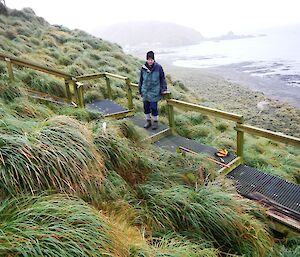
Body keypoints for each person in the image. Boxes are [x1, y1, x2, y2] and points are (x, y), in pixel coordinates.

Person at [138, 51, 168, 130]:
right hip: (145, 92)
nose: (150, 61)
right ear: (147, 59)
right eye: (149, 59)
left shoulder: (158, 67)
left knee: (154, 107)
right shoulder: (143, 68)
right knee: (146, 107)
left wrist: (164, 89)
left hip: (154, 92)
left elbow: (162, 79)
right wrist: (140, 90)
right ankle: (148, 121)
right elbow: (141, 79)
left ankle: (155, 121)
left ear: (154, 59)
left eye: (151, 59)